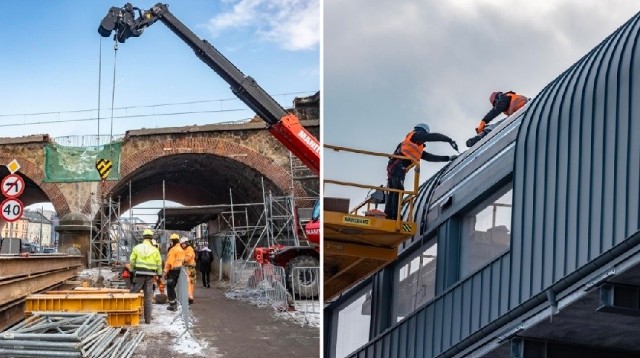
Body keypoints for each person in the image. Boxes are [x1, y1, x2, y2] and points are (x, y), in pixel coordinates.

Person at [385, 123, 458, 220]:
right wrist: (449, 140)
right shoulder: (416, 135)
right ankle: (394, 216)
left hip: (395, 167)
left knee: (393, 190)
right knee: (398, 190)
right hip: (397, 166)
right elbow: (433, 137)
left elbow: (430, 157)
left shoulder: (415, 145)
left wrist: (448, 158)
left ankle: (388, 215)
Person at [129, 228, 162, 323]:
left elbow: (132, 261)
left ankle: (131, 316)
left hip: (139, 274)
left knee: (134, 294)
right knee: (148, 297)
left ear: (143, 237)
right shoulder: (155, 250)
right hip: (150, 275)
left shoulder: (137, 247)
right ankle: (147, 320)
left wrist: (131, 271)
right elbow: (159, 263)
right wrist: (159, 274)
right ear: (151, 238)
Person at [164, 233, 185, 311]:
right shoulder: (181, 249)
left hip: (173, 270)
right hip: (179, 269)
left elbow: (169, 262)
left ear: (172, 241)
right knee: (174, 286)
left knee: (170, 287)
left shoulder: (173, 250)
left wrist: (165, 272)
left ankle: (173, 305)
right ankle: (175, 302)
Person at [180, 237, 196, 304]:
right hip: (188, 268)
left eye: (184, 244)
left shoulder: (189, 249)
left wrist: (181, 261)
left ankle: (190, 297)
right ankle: (190, 296)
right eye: (182, 244)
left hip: (189, 268)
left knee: (189, 283)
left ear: (187, 243)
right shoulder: (186, 249)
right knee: (190, 283)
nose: (183, 245)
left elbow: (188, 257)